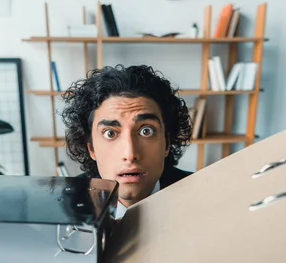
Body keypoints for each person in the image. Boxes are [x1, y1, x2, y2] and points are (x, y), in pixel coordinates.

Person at [61, 64, 193, 219]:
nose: (130, 154)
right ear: (91, 148)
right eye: (110, 133)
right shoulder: (62, 209)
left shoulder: (203, 195)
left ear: (167, 142)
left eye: (146, 131)